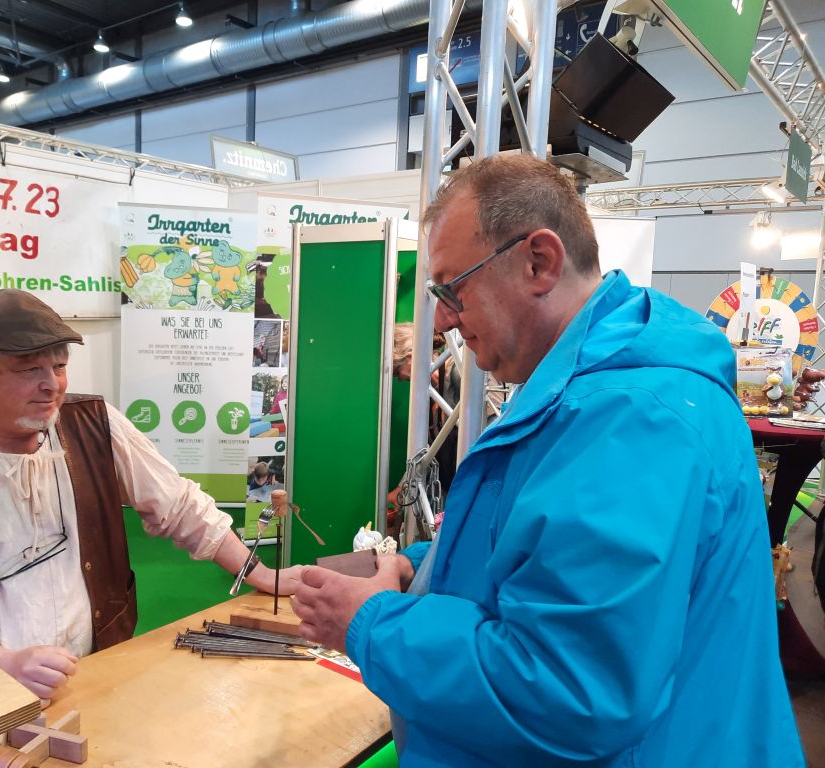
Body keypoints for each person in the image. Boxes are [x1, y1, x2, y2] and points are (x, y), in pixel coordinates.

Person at [291, 154, 805, 766]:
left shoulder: (630, 419)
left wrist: (371, 623)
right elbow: (536, 549)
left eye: (453, 287)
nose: (444, 319)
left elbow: (571, 687)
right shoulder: (599, 393)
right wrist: (416, 568)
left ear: (539, 261)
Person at [0, 289, 303, 701]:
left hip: (100, 670)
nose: (51, 385)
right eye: (28, 369)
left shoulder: (96, 425)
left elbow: (180, 506)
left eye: (59, 367)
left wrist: (259, 573)